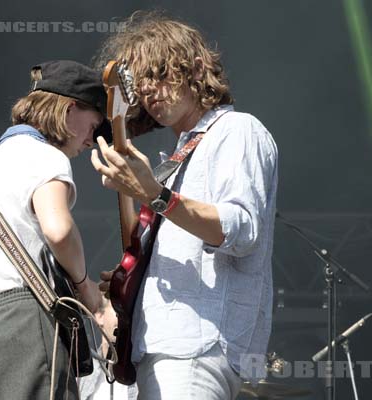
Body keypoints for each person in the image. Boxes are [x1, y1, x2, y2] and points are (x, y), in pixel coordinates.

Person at [91, 11, 279, 400]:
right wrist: (132, 281)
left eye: (160, 74)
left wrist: (156, 196)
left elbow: (239, 230)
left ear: (195, 68)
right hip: (163, 345)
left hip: (196, 345)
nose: (150, 90)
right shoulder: (178, 154)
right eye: (141, 83)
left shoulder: (236, 130)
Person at [0, 60, 106, 400]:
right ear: (68, 109)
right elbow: (59, 230)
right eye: (93, 126)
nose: (91, 141)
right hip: (24, 328)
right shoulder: (44, 155)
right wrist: (89, 293)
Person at [78, 295, 138, 400]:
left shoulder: (144, 372)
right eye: (118, 308)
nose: (125, 317)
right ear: (100, 316)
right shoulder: (82, 374)